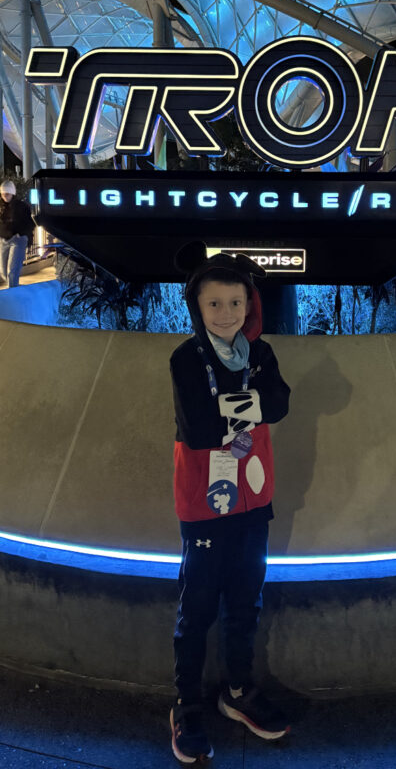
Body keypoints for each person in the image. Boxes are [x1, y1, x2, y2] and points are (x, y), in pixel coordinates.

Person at [169, 243, 291, 764]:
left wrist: (230, 409)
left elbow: (282, 404)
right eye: (214, 303)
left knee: (246, 601)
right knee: (197, 606)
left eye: (235, 303)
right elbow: (197, 430)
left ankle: (237, 691)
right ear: (197, 306)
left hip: (254, 497)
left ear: (250, 305)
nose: (225, 314)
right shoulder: (185, 358)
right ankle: (187, 703)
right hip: (204, 500)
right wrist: (251, 406)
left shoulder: (260, 353)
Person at [0, 180, 34, 288]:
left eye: (7, 193)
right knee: (3, 271)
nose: (5, 196)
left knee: (12, 270)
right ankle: (16, 288)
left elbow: (30, 223)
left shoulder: (22, 206)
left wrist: (22, 234)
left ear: (12, 193)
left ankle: (13, 291)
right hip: (3, 240)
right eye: (3, 194)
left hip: (18, 239)